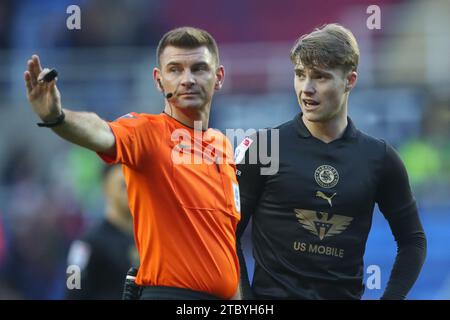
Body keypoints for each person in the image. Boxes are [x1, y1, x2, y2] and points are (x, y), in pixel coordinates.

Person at [24, 27, 241, 300]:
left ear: (218, 77)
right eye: (175, 70)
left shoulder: (223, 147)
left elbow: (225, 245)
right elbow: (100, 131)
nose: (187, 79)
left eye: (199, 69)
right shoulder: (146, 133)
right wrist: (58, 117)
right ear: (159, 80)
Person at [236, 24, 427, 300]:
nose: (307, 88)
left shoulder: (380, 158)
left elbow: (413, 241)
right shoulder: (264, 147)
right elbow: (228, 235)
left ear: (350, 80)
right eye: (300, 75)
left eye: (320, 77)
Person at [65, 165, 138, 299]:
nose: (131, 190)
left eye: (135, 184)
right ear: (106, 189)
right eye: (123, 185)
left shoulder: (147, 241)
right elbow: (72, 288)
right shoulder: (86, 243)